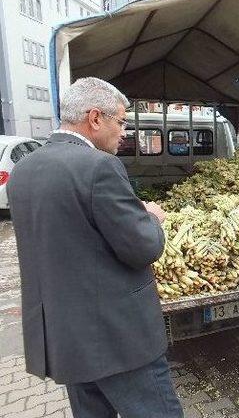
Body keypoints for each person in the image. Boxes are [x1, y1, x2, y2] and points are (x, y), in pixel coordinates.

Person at [7, 78, 183, 418]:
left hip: (66, 340)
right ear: (95, 118)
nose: (124, 132)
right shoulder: (99, 167)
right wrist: (153, 219)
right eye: (121, 121)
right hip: (118, 340)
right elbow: (142, 247)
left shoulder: (24, 170)